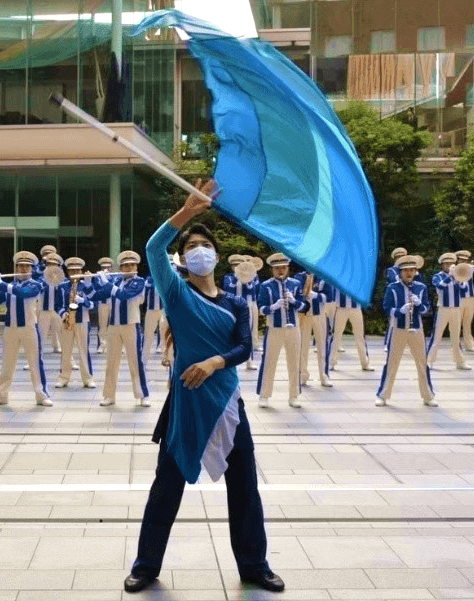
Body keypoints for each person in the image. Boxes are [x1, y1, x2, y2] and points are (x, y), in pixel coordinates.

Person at [124, 178, 284, 595]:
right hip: (187, 407)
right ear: (183, 257)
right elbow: (152, 249)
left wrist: (215, 362)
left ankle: (255, 565)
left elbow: (245, 348)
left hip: (228, 404)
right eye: (191, 245)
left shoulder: (234, 303)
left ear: (214, 255)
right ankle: (145, 566)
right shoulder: (175, 293)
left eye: (204, 244)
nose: (199, 249)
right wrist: (188, 212)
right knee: (165, 489)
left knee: (245, 489)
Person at [0, 252, 52, 407]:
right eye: (20, 266)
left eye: (26, 266)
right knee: (7, 364)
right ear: (16, 267)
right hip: (10, 329)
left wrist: (1, 283)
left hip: (29, 328)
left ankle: (42, 395)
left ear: (31, 268)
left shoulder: (35, 284)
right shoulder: (10, 286)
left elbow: (23, 293)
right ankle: (0, 395)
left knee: (35, 363)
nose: (23, 269)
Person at [91, 251, 151, 407]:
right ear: (121, 267)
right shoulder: (116, 280)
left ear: (135, 266)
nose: (128, 267)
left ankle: (142, 394)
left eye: (131, 264)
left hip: (131, 325)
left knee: (135, 361)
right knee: (111, 361)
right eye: (125, 265)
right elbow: (98, 295)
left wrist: (107, 283)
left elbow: (124, 295)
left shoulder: (139, 281)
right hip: (113, 326)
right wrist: (89, 282)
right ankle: (109, 395)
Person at [377, 254, 436, 407]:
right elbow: (386, 308)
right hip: (398, 329)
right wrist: (399, 311)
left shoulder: (421, 287)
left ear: (415, 271)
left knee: (422, 363)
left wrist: (419, 304)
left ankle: (428, 395)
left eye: (411, 270)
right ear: (400, 272)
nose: (409, 273)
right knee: (391, 363)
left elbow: (427, 309)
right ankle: (383, 395)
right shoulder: (393, 287)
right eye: (405, 271)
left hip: (416, 329)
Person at [256, 253, 309, 408]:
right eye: (277, 268)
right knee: (269, 362)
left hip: (294, 328)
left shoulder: (295, 284)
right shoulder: (266, 285)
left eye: (284, 268)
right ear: (272, 269)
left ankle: (294, 396)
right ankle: (264, 395)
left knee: (295, 362)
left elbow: (304, 306)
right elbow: (261, 308)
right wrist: (273, 307)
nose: (281, 271)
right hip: (274, 328)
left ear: (287, 269)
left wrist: (293, 301)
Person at [55, 257, 97, 389]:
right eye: (72, 270)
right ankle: (63, 378)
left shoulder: (87, 285)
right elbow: (57, 305)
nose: (74, 272)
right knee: (66, 351)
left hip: (83, 321)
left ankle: (88, 378)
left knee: (84, 351)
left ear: (81, 270)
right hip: (67, 321)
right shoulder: (62, 286)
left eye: (77, 270)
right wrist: (64, 314)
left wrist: (82, 301)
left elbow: (93, 304)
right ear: (68, 272)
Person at [426, 252, 469, 371]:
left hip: (456, 309)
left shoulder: (458, 276)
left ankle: (459, 362)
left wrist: (459, 278)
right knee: (437, 336)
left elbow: (465, 290)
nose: (450, 265)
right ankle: (429, 361)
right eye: (447, 263)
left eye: (452, 263)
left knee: (456, 337)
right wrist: (450, 276)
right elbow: (440, 286)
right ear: (442, 265)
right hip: (443, 309)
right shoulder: (438, 276)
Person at [222, 255, 260, 368]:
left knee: (250, 332)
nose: (236, 267)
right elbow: (228, 288)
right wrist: (239, 279)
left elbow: (254, 290)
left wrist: (247, 277)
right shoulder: (228, 277)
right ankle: (231, 359)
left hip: (248, 305)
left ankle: (249, 360)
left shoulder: (252, 277)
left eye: (238, 265)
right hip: (233, 306)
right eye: (234, 265)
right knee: (231, 332)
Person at [328, 285, 374, 372]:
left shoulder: (358, 278)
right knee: (337, 335)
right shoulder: (341, 276)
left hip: (356, 308)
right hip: (341, 308)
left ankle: (365, 363)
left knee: (360, 336)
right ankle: (331, 363)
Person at [455, 250, 474, 352]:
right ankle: (456, 345)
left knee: (468, 322)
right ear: (457, 260)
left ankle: (469, 345)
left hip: (470, 297)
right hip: (458, 298)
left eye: (465, 260)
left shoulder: (470, 269)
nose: (463, 262)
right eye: (461, 260)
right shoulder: (454, 269)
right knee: (456, 322)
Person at [37, 253, 65, 354]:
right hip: (44, 310)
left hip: (58, 311)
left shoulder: (62, 279)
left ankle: (70, 361)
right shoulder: (41, 279)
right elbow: (37, 290)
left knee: (63, 335)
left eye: (54, 264)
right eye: (49, 264)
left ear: (58, 266)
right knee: (40, 335)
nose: (51, 267)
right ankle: (33, 359)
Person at [94, 256, 117, 353]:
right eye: (104, 268)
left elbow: (113, 287)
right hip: (103, 303)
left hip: (113, 303)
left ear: (111, 268)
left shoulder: (115, 277)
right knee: (102, 325)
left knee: (115, 324)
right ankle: (102, 345)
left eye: (108, 267)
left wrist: (107, 280)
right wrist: (103, 279)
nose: (106, 270)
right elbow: (98, 288)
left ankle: (115, 345)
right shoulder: (98, 278)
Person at [143, 274, 169, 355]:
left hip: (163, 309)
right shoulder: (148, 280)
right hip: (151, 309)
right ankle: (145, 351)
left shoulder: (166, 278)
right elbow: (144, 292)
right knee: (148, 331)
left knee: (163, 330)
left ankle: (161, 347)